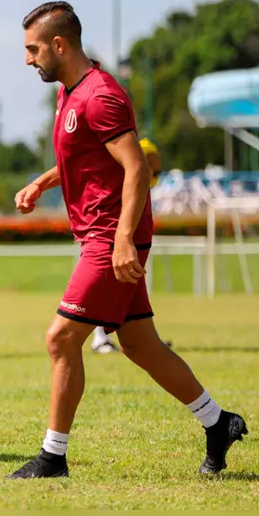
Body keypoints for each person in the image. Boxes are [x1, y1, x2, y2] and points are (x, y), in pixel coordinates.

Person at [8, 1, 247, 479]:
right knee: (140, 345)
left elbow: (135, 166)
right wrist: (42, 182)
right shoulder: (69, 93)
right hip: (105, 235)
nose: (29, 60)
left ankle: (53, 457)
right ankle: (218, 423)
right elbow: (83, 158)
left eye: (33, 50)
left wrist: (121, 243)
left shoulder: (100, 94)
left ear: (60, 44)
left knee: (60, 339)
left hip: (111, 237)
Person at [89, 136, 164, 354]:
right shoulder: (121, 175)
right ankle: (99, 337)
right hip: (108, 240)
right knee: (102, 289)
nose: (153, 167)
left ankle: (147, 340)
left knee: (126, 292)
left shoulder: (139, 183)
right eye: (149, 160)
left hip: (126, 241)